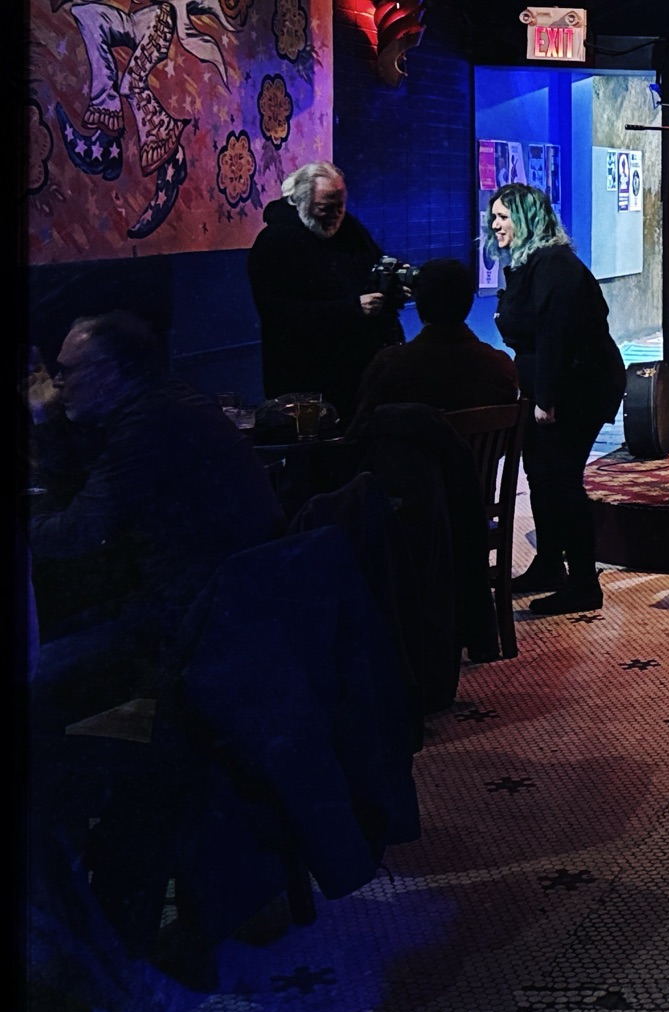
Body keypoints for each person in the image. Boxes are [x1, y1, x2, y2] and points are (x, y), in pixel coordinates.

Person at [26, 311, 284, 720]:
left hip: (198, 622)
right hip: (233, 604)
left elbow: (75, 534)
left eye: (67, 371)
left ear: (109, 371)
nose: (55, 384)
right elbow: (82, 504)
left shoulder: (149, 426)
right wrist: (47, 423)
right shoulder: (164, 401)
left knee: (33, 677)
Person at [487, 182, 625, 615]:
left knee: (562, 479)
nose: (494, 225)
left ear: (526, 219)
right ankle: (549, 565)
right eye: (494, 217)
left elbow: (555, 336)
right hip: (548, 384)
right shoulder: (528, 264)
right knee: (541, 475)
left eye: (503, 217)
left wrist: (546, 398)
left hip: (576, 387)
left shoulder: (554, 265)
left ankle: (584, 583)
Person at [246, 161, 403, 420]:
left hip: (358, 376)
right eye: (324, 207)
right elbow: (279, 314)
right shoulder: (274, 243)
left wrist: (394, 288)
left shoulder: (350, 230)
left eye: (340, 206)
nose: (336, 214)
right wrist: (352, 309)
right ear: (301, 202)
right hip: (304, 377)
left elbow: (375, 268)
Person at [352, 258, 519, 424]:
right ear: (469, 302)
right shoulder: (501, 365)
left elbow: (361, 428)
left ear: (419, 304)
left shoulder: (389, 365)